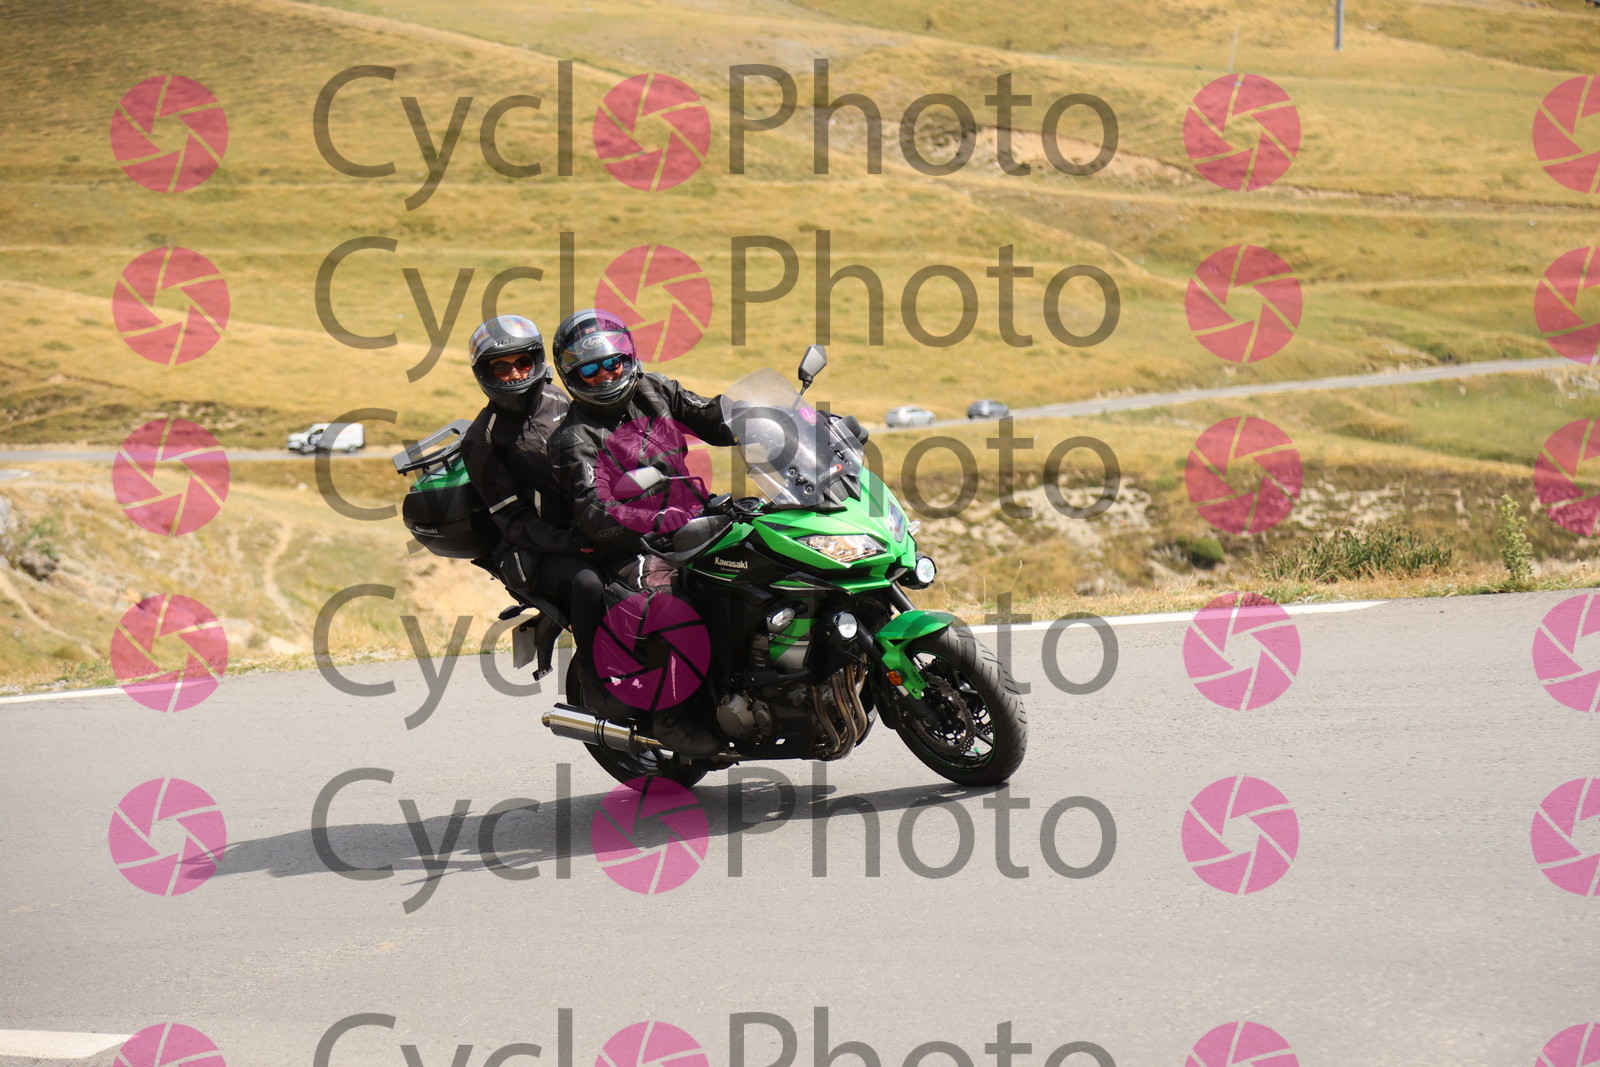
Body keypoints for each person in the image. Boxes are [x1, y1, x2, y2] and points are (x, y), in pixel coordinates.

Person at [548, 308, 737, 755]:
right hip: (630, 546)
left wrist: (779, 419)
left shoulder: (655, 390)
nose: (606, 375)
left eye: (612, 363)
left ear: (628, 358)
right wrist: (650, 520)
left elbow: (712, 416)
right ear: (572, 376)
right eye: (590, 370)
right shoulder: (574, 439)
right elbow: (593, 510)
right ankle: (672, 718)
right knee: (673, 604)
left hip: (694, 521)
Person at [457, 314, 607, 701]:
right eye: (501, 367)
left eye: (523, 362)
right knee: (589, 584)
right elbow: (512, 518)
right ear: (485, 373)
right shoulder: (482, 439)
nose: (515, 374)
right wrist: (570, 543)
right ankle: (595, 679)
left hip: (594, 525)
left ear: (537, 360)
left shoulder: (562, 400)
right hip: (536, 550)